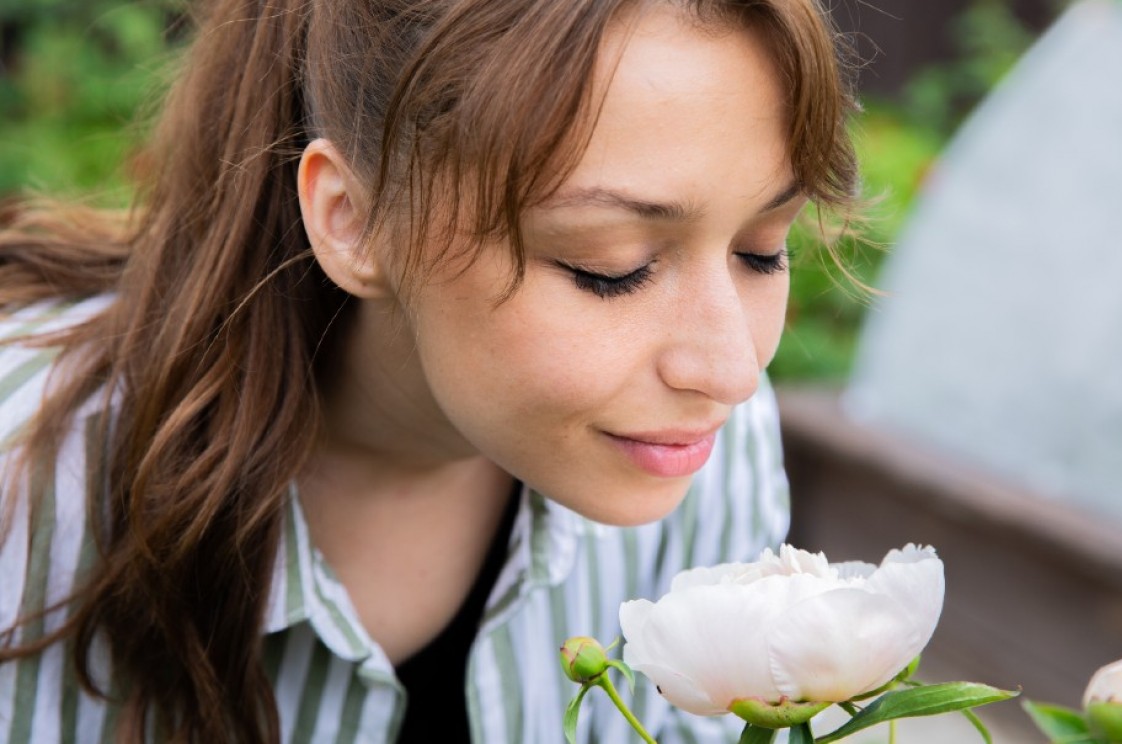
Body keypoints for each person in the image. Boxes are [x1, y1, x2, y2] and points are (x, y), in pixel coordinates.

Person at [0, 0, 859, 741]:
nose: (731, 370)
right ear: (354, 221)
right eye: (611, 266)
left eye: (761, 250)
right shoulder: (27, 484)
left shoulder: (707, 453)